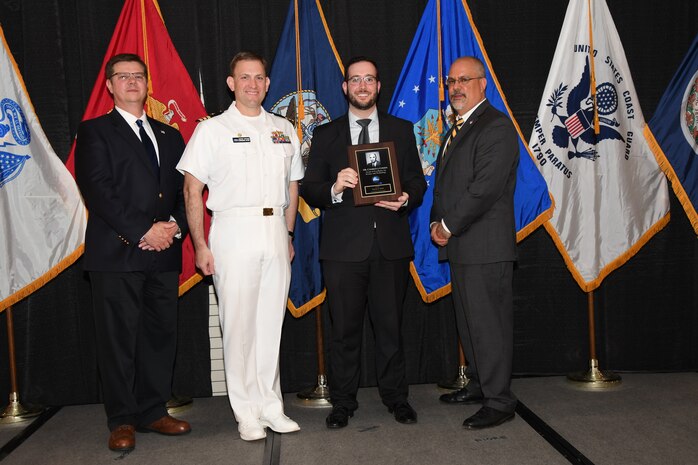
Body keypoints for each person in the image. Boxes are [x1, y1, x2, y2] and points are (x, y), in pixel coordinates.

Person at [176, 51, 303, 442]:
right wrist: (200, 244)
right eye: (244, 78)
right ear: (231, 83)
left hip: (274, 230)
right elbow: (192, 189)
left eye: (259, 78)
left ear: (267, 83)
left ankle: (271, 406)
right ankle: (246, 411)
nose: (253, 84)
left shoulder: (284, 128)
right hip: (232, 229)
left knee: (269, 325)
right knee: (238, 326)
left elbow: (293, 184)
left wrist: (289, 233)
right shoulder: (212, 129)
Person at [301, 56, 426, 429]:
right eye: (355, 80)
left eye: (369, 79)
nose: (362, 86)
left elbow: (418, 183)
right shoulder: (326, 135)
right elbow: (310, 188)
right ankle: (342, 403)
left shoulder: (402, 131)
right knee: (344, 332)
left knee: (390, 329)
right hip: (343, 251)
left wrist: (405, 198)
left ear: (378, 86)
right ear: (345, 87)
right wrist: (335, 188)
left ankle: (396, 398)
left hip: (389, 246)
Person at [75, 53, 191, 452]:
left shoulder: (170, 134)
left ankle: (153, 410)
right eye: (122, 77)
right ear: (109, 85)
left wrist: (174, 228)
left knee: (160, 336)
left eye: (138, 76)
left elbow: (185, 192)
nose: (131, 82)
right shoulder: (94, 132)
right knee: (118, 340)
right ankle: (121, 419)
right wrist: (144, 231)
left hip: (163, 254)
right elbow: (98, 191)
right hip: (117, 254)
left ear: (147, 84)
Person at [430, 56, 519, 429]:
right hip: (464, 246)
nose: (455, 87)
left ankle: (499, 401)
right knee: (470, 324)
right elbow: (446, 183)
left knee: (488, 325)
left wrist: (447, 225)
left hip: (484, 246)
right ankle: (483, 386)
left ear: (484, 84)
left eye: (464, 80)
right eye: (451, 81)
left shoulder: (495, 127)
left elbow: (484, 189)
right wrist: (437, 220)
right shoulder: (457, 127)